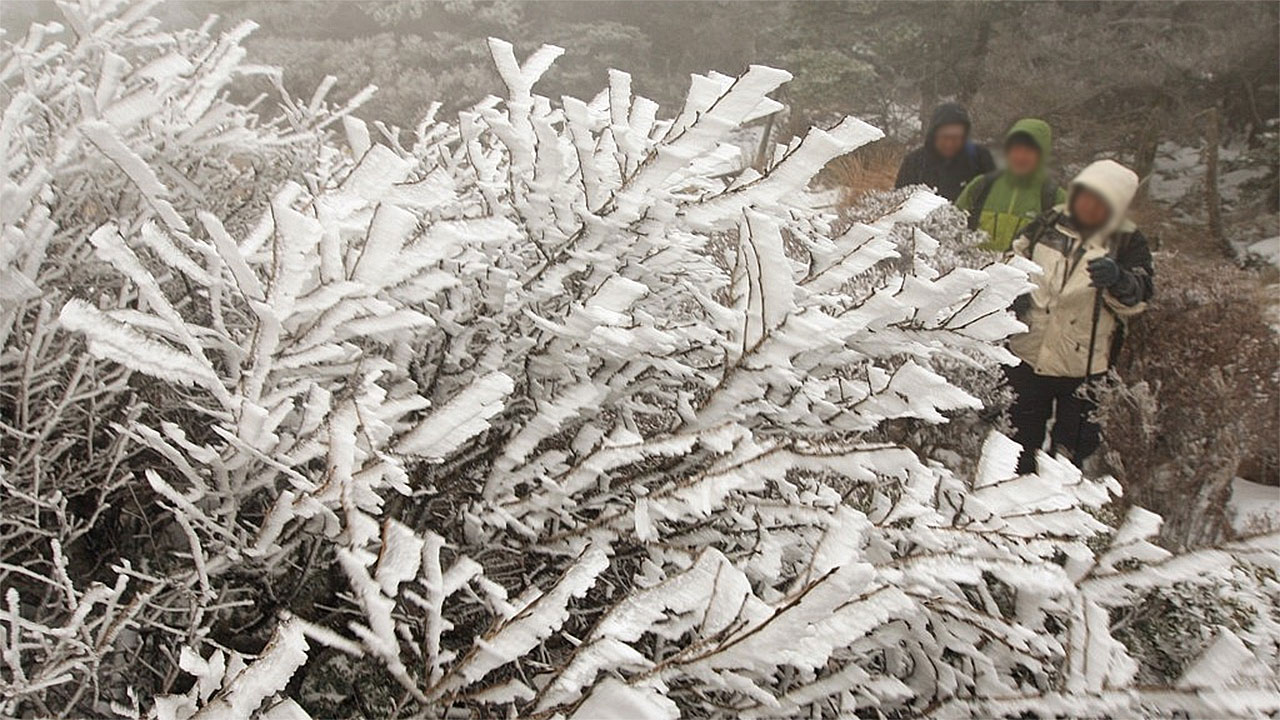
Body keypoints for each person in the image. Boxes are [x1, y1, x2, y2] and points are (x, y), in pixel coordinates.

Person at [1004, 159, 1154, 474]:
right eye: (1085, 194)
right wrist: (1011, 292)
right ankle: (1010, 505)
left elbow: (1139, 295)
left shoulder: (1128, 241)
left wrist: (1118, 279)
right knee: (1015, 446)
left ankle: (1056, 512)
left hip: (1084, 367)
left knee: (1069, 457)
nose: (1089, 204)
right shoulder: (1048, 223)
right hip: (1028, 352)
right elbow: (1012, 259)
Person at [956, 118, 1067, 252]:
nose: (1020, 156)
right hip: (975, 271)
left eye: (1029, 151)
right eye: (1016, 149)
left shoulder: (1055, 198)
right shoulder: (982, 185)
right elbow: (951, 229)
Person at [894, 103, 995, 202]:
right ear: (934, 135)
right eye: (944, 137)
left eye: (956, 138)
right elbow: (899, 204)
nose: (949, 144)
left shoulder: (980, 159)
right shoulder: (914, 162)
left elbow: (993, 197)